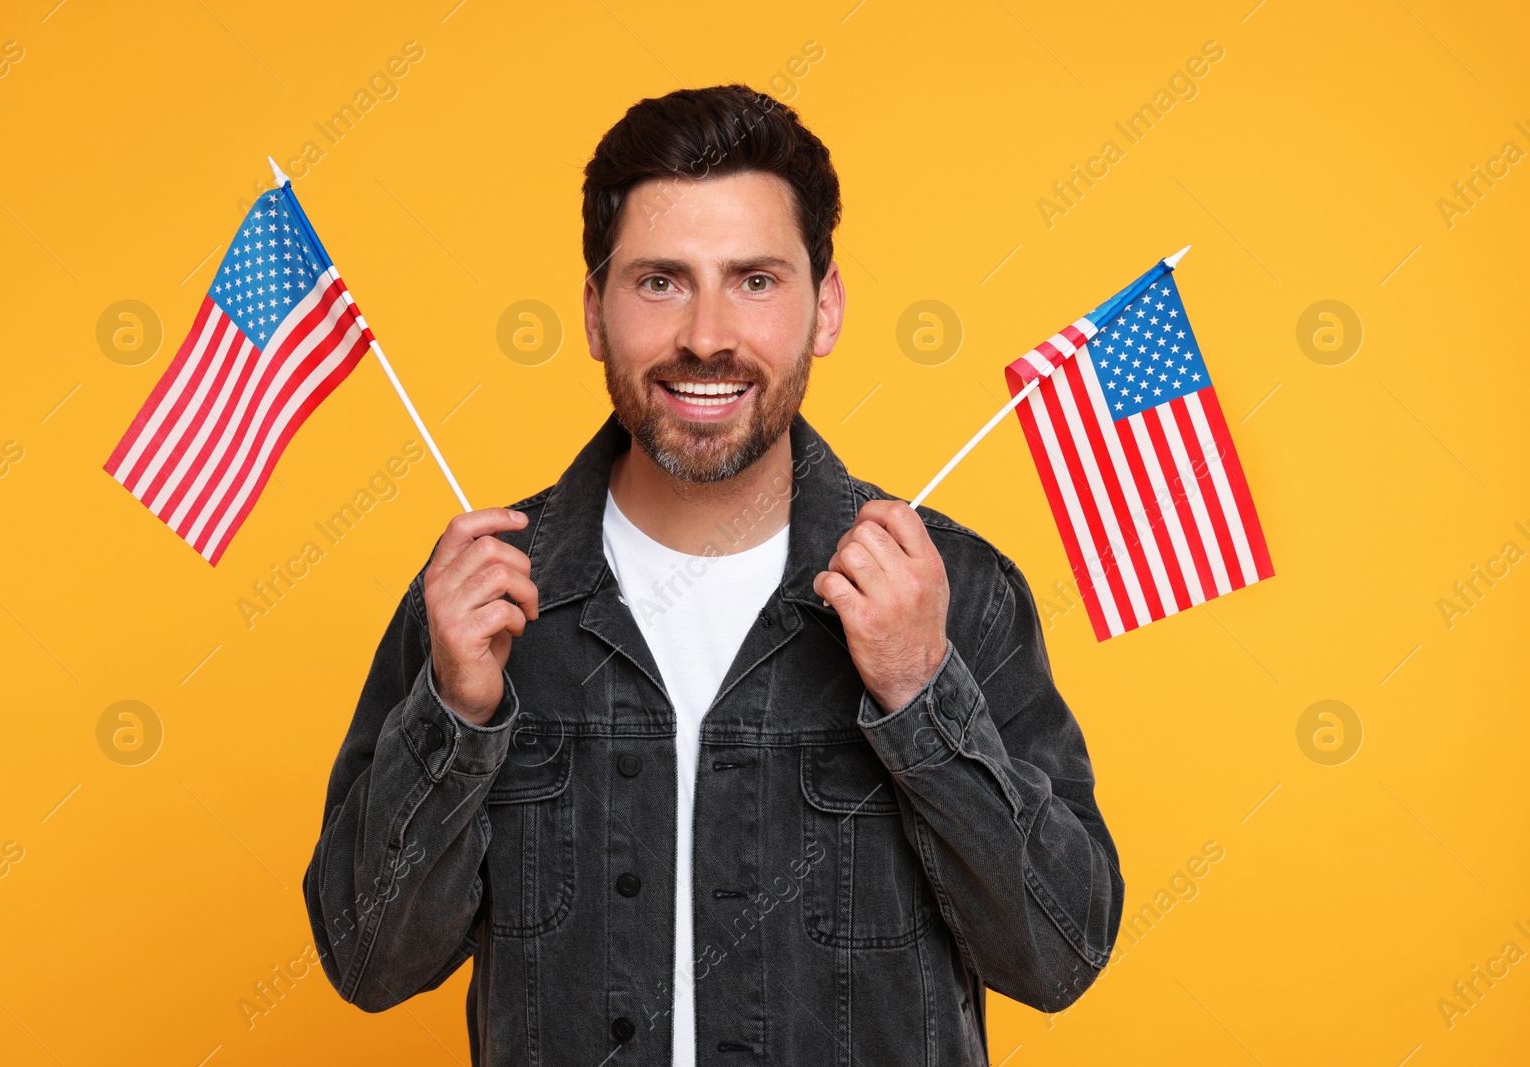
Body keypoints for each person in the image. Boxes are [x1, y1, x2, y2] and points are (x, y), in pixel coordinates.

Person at [304, 82, 1123, 1066]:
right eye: (659, 281)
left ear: (824, 308)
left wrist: (917, 692)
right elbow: (365, 959)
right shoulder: (482, 593)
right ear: (595, 313)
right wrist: (457, 713)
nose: (703, 333)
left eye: (754, 280)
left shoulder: (953, 587)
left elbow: (1059, 953)